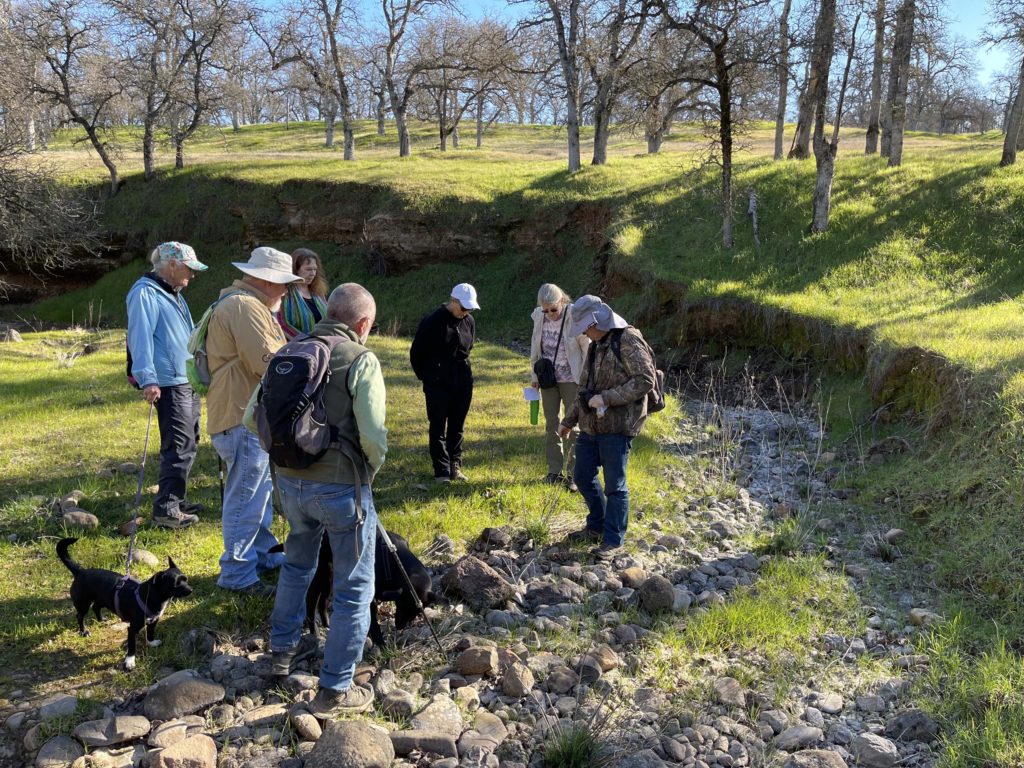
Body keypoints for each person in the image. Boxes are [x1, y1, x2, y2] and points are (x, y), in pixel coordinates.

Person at [265, 282, 386, 717]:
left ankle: (281, 654)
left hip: (290, 485)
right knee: (354, 586)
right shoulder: (360, 359)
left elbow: (250, 417)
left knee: (296, 567)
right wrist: (368, 474)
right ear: (363, 323)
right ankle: (335, 687)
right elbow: (373, 434)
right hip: (341, 487)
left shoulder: (287, 352)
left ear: (326, 312)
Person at [206, 247, 303, 596]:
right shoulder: (245, 307)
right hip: (241, 416)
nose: (285, 292)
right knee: (246, 497)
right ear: (264, 280)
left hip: (237, 414)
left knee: (256, 492)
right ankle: (236, 573)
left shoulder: (238, 303)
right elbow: (270, 363)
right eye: (282, 285)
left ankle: (262, 557)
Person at [557, 295, 656, 561]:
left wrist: (608, 398)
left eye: (586, 327)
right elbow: (584, 389)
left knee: (615, 485)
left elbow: (645, 380)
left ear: (598, 320)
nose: (585, 333)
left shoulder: (628, 340)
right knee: (582, 476)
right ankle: (597, 524)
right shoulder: (595, 344)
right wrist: (569, 420)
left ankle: (613, 541)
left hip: (618, 426)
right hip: (591, 427)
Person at [126, 241, 208, 529]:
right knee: (178, 445)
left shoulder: (173, 293)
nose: (192, 275)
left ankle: (177, 499)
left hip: (185, 380)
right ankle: (166, 509)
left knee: (190, 440)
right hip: (168, 383)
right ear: (172, 265)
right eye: (189, 268)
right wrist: (148, 379)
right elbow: (140, 338)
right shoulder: (145, 293)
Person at [409, 283, 478, 483]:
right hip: (437, 380)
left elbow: (469, 346)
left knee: (457, 425)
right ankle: (441, 469)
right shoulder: (432, 321)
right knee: (438, 425)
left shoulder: (469, 321)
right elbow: (416, 352)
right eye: (463, 308)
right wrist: (428, 376)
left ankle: (455, 466)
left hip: (462, 378)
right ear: (453, 301)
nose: (466, 312)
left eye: (470, 309)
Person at [529, 283, 590, 491]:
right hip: (548, 379)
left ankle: (573, 474)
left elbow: (586, 348)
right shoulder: (539, 316)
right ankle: (554, 471)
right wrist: (534, 376)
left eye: (553, 309)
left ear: (562, 301)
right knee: (551, 424)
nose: (549, 314)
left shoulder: (574, 316)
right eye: (545, 310)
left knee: (573, 424)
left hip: (572, 378)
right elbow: (535, 349)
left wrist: (586, 378)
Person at [277, 248, 329, 339]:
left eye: (315, 269)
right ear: (295, 270)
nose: (313, 273)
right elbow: (282, 324)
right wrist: (307, 341)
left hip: (323, 345)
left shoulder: (318, 292)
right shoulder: (284, 293)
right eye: (308, 269)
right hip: (296, 348)